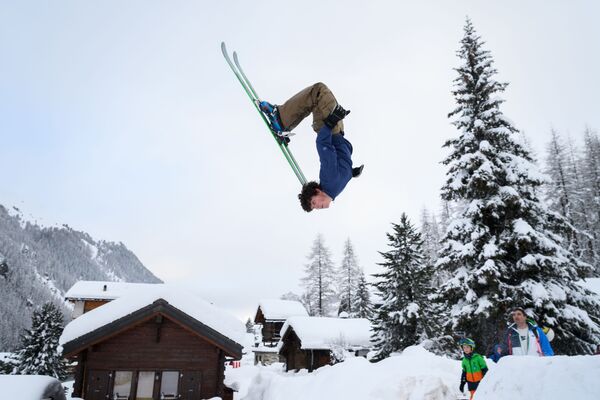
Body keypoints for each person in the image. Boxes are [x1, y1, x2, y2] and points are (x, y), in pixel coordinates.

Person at [259, 82, 363, 212]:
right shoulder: (334, 190)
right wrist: (351, 173)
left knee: (318, 92)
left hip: (331, 129)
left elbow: (322, 144)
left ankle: (280, 118)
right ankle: (282, 120)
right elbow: (340, 167)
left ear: (317, 191)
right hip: (336, 131)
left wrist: (331, 122)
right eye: (314, 206)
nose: (317, 207)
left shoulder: (329, 181)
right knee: (315, 97)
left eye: (313, 202)